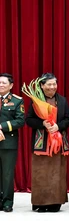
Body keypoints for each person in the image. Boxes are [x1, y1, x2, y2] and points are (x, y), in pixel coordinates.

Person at [26, 73, 69, 212]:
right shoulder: (35, 100)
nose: (52, 87)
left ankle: (55, 203)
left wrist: (58, 126)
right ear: (42, 85)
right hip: (41, 142)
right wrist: (42, 123)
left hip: (58, 142)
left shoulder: (63, 100)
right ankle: (40, 203)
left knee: (57, 173)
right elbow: (28, 120)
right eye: (49, 84)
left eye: (54, 84)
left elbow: (68, 119)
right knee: (40, 172)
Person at [0, 73, 25, 212]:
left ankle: (7, 202)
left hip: (8, 143)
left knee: (8, 174)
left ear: (11, 85)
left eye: (4, 83)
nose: (1, 85)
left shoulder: (17, 101)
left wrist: (1, 127)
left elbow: (20, 121)